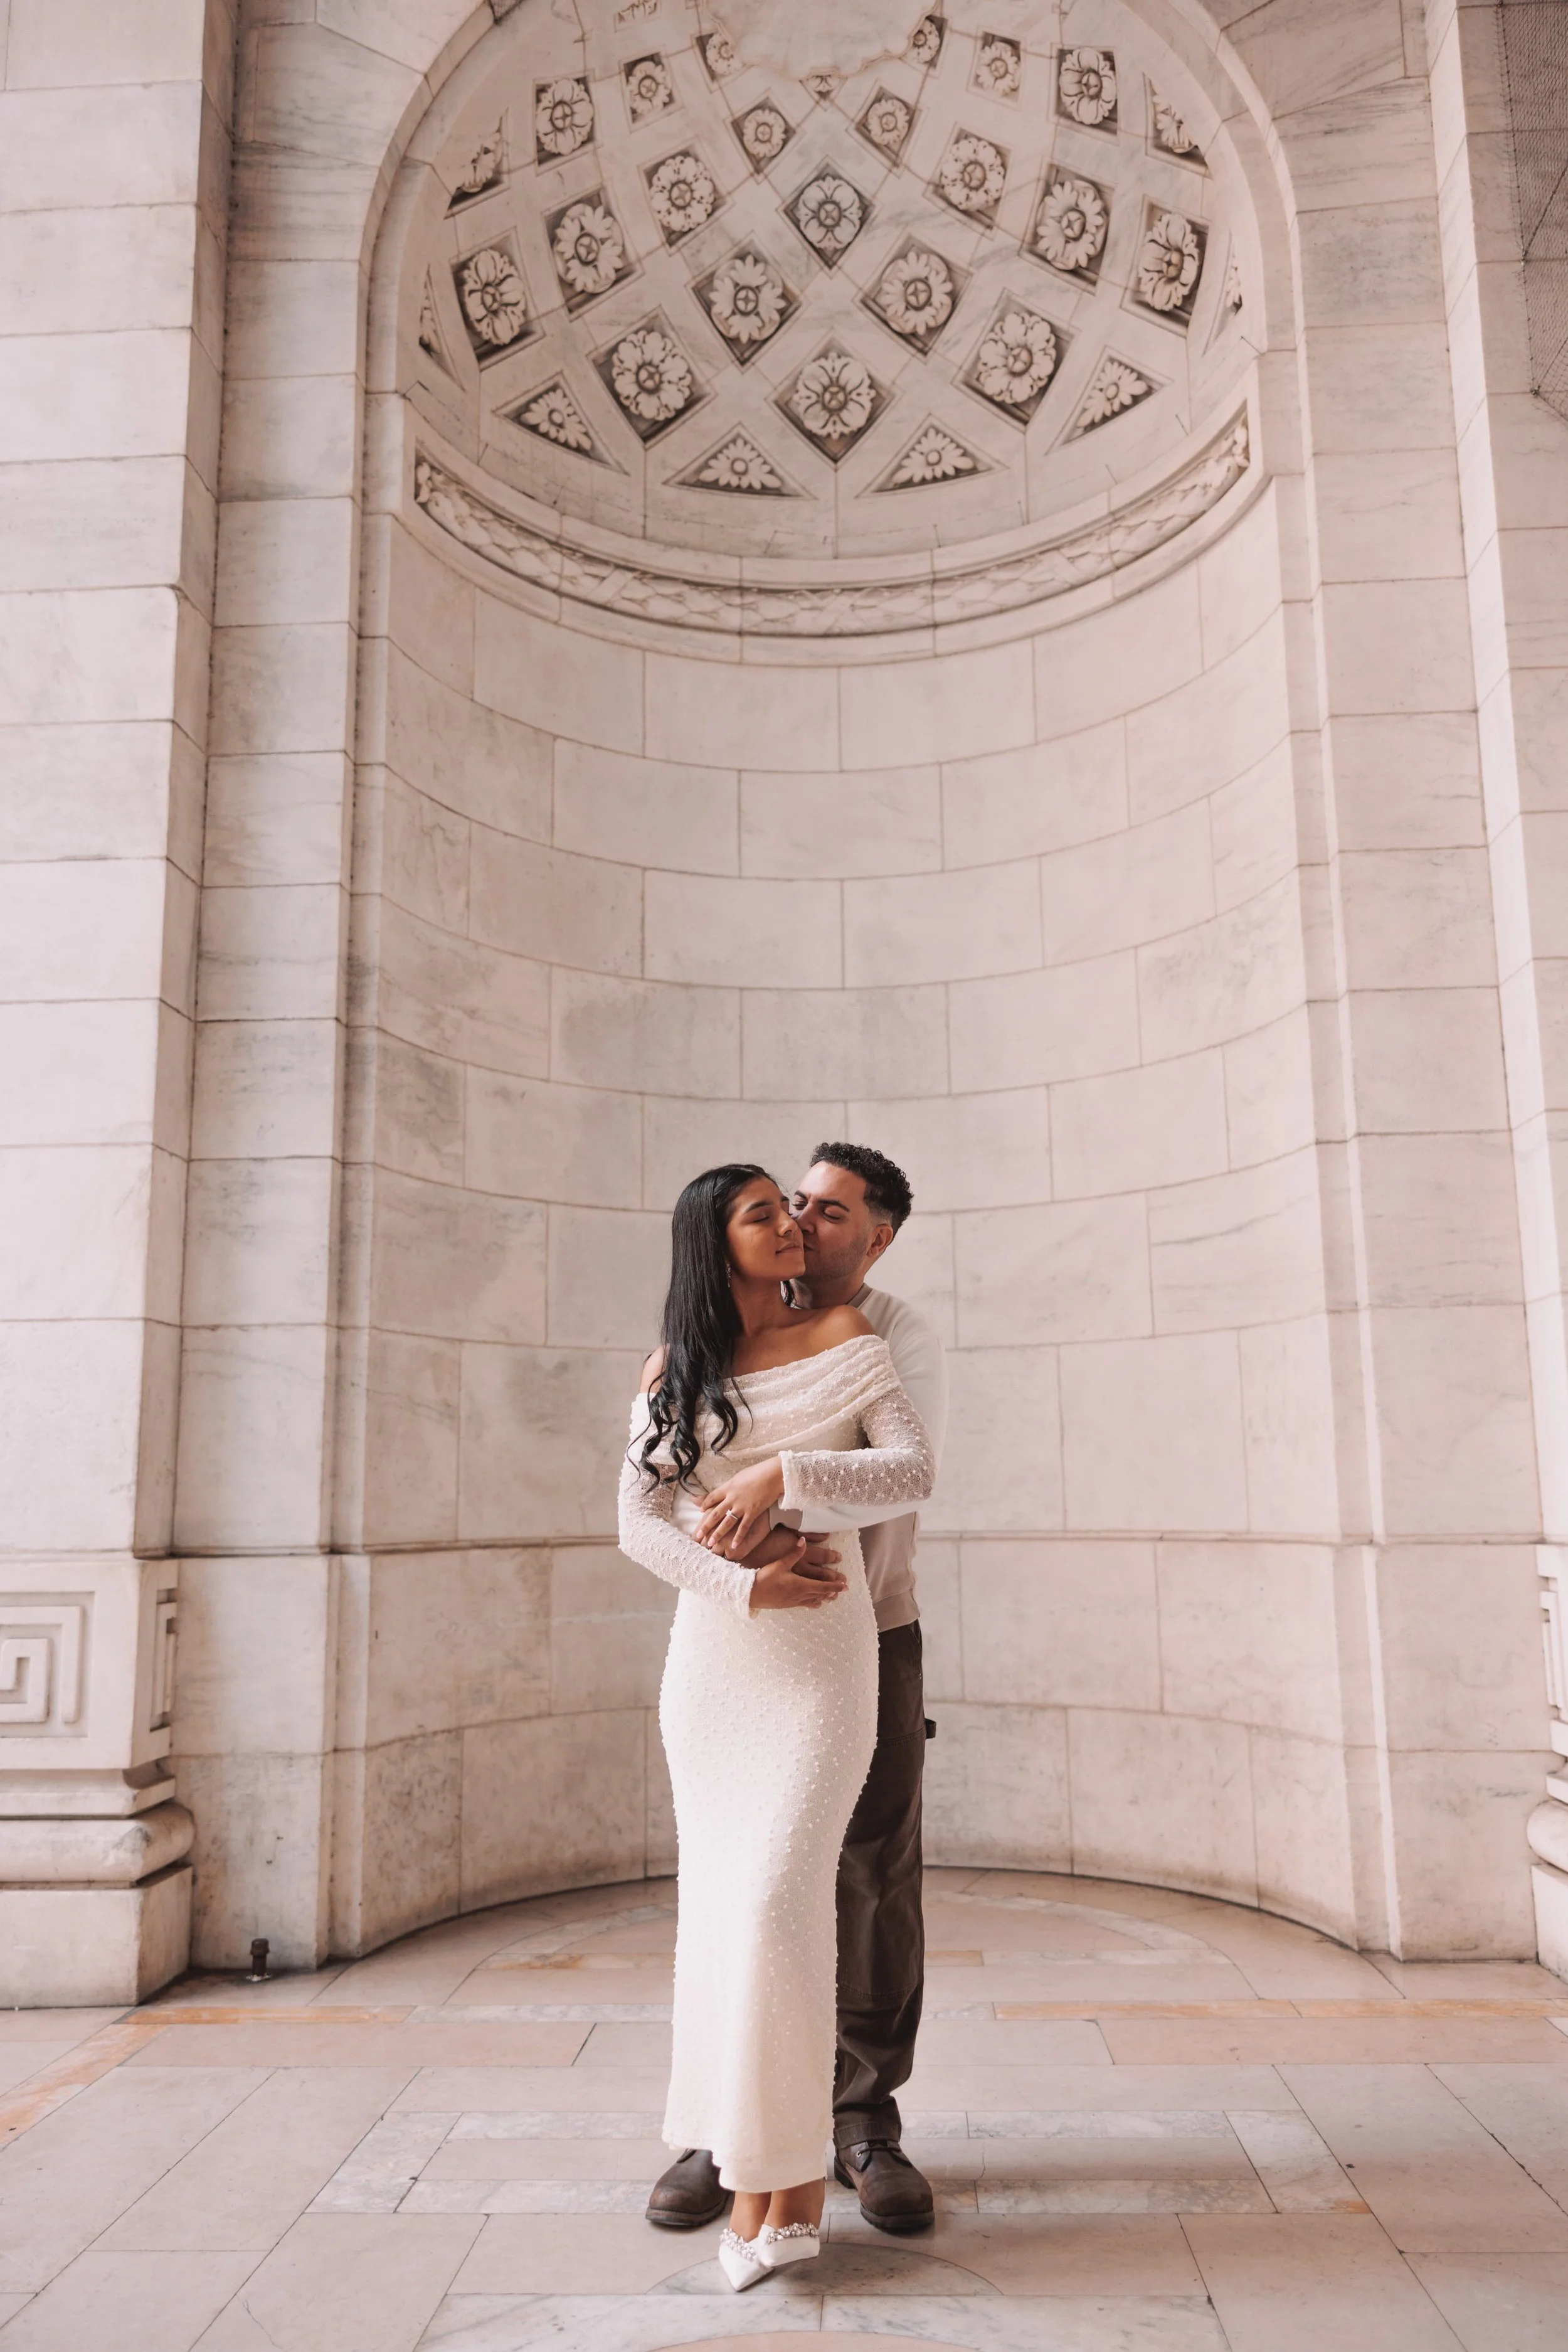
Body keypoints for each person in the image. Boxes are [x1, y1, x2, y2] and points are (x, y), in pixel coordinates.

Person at [617, 1163, 935, 2291]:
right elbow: (637, 1519)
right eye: (768, 1212)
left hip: (828, 1659)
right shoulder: (676, 1368)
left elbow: (910, 1468)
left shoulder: (857, 1331)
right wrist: (741, 1576)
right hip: (716, 1664)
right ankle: (740, 2155)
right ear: (718, 1242)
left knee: (779, 1902)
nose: (792, 1224)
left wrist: (781, 1479)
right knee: (722, 1913)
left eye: (806, 1209)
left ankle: (803, 2171)